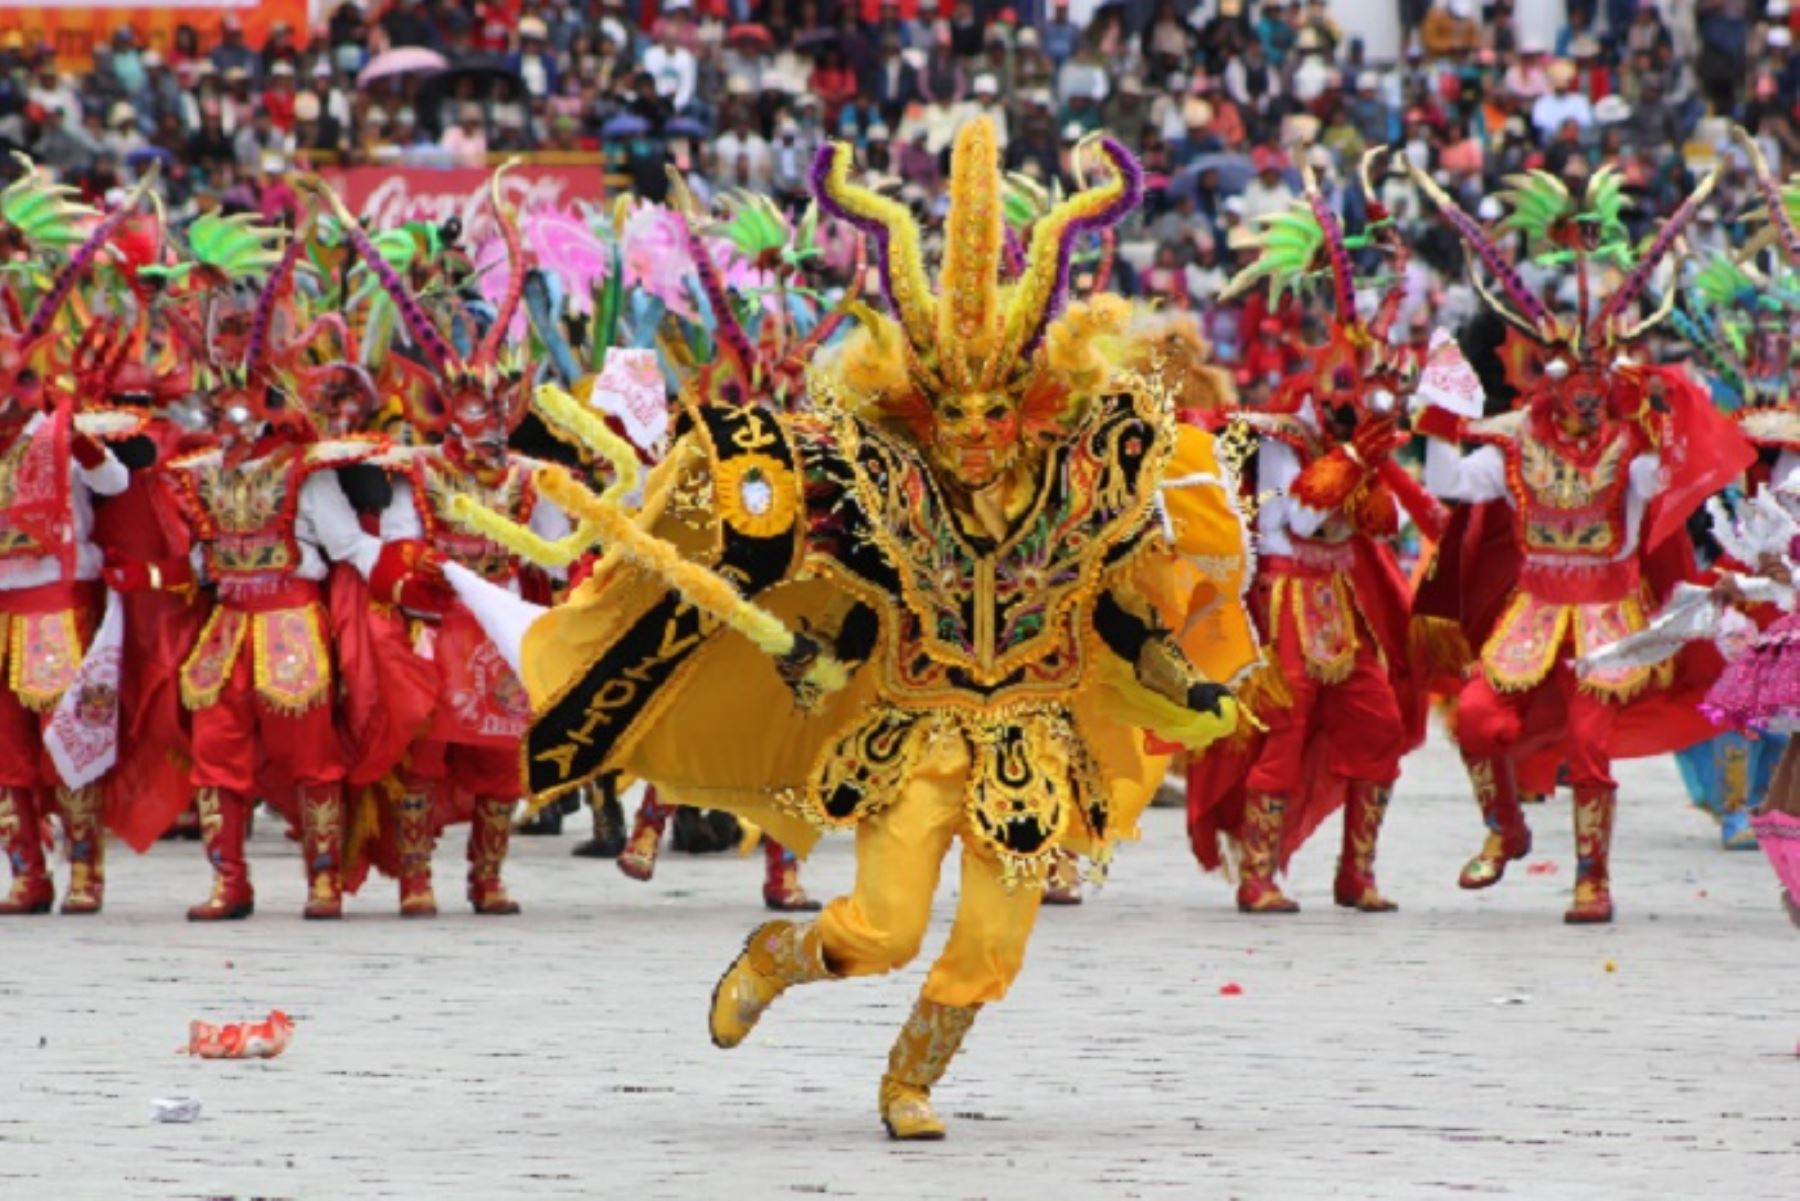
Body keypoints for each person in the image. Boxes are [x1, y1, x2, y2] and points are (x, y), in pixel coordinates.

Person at [460, 121, 1250, 1138]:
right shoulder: (888, 491)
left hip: (1029, 744)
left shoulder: (1078, 495)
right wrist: (812, 665)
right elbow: (845, 602)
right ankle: (776, 959)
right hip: (916, 734)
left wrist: (1191, 688)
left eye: (994, 408)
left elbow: (1120, 612)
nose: (972, 431)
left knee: (993, 943)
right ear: (922, 406)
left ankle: (908, 1082)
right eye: (951, 409)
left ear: (1029, 403)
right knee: (883, 927)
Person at [1408, 158, 1752, 924]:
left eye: (1598, 388)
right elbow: (1451, 484)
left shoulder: (1629, 450)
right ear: (1546, 382)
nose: (1583, 402)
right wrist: (1436, 410)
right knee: (1474, 718)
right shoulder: (1512, 444)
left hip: (1606, 618)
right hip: (1532, 614)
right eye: (1571, 385)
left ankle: (1592, 876)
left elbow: (1667, 481)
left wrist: (1663, 406)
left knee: (1591, 744)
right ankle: (1505, 827)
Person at [1188, 150, 1442, 914]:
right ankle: (1257, 875)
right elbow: (1293, 518)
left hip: (1343, 601)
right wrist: (1350, 459)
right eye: (1346, 381)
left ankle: (1354, 871)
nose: (1352, 397)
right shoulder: (1275, 433)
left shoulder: (1363, 435)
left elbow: (1383, 522)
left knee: (1381, 727)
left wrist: (1369, 465)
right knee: (1284, 733)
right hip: (1287, 605)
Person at [0, 188, 136, 916]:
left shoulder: (55, 430)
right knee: (5, 752)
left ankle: (85, 872)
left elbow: (115, 480)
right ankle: (26, 870)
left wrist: (80, 439)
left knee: (69, 737)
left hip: (55, 601)